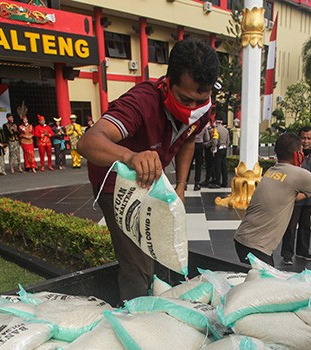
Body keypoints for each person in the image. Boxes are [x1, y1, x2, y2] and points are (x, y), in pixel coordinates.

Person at [77, 38, 219, 301]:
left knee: (162, 248)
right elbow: (87, 142)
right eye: (184, 100)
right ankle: (136, 322)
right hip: (116, 183)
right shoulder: (141, 101)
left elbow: (188, 137)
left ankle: (157, 298)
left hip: (153, 180)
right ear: (168, 83)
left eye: (199, 101)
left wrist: (180, 185)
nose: (191, 110)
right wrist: (130, 156)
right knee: (138, 265)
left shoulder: (202, 109)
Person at [233, 133, 311, 266]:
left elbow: (290, 197)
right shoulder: (300, 174)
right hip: (257, 247)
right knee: (265, 283)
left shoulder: (272, 170)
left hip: (242, 239)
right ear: (297, 154)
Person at [280, 126, 311, 264]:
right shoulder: (293, 156)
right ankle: (287, 254)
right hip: (294, 198)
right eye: (303, 138)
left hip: (309, 198)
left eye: (309, 138)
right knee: (291, 227)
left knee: (305, 226)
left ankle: (303, 251)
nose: (306, 141)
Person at [190, 121, 208, 190]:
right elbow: (207, 138)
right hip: (200, 144)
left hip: (191, 144)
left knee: (188, 164)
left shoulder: (192, 125)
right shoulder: (203, 127)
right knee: (198, 165)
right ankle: (197, 183)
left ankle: (184, 183)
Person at [213, 119, 230, 187]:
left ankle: (217, 182)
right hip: (224, 148)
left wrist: (214, 149)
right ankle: (225, 182)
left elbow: (215, 141)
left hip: (219, 149)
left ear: (216, 122)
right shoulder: (226, 130)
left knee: (218, 166)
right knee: (224, 166)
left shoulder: (216, 130)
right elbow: (228, 141)